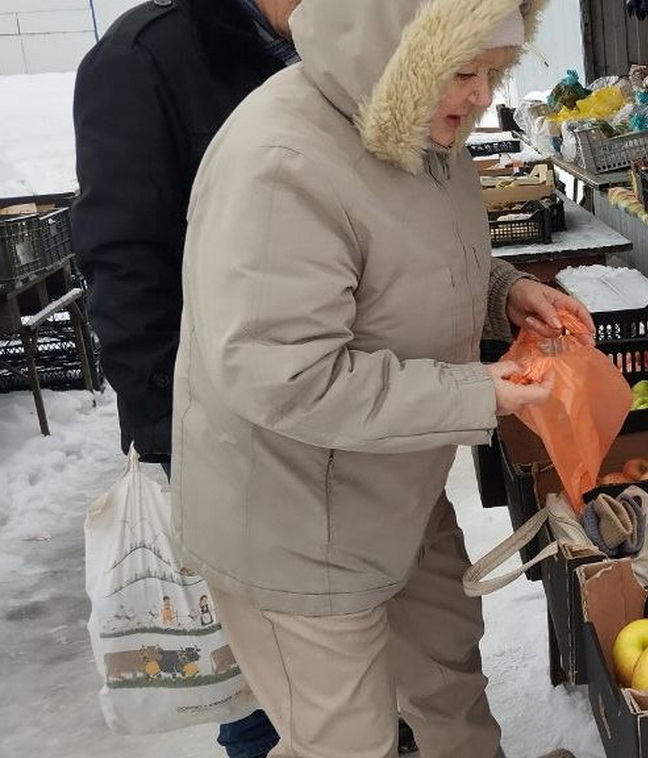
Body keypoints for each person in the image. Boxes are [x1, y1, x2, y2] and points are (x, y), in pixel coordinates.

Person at [171, 1, 589, 756]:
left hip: (396, 480)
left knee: (448, 681)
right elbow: (285, 374)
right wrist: (478, 393)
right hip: (299, 516)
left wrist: (503, 292)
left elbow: (410, 259)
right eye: (461, 71)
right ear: (391, 50)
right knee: (347, 737)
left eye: (494, 72)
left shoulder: (429, 129)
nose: (477, 94)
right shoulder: (283, 160)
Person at [70, 2, 390, 756]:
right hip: (222, 422)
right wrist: (168, 436)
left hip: (337, 400)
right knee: (249, 664)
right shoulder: (143, 58)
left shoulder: (329, 41)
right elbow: (123, 263)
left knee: (337, 641)